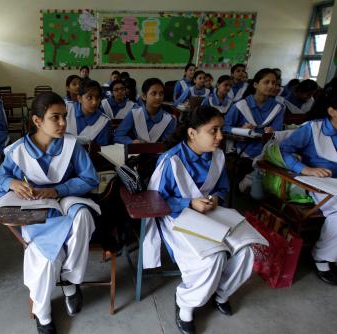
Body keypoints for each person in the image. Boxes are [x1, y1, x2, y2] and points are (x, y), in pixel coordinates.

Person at [0, 92, 99, 334]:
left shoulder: (72, 146)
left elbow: (90, 179)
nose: (63, 124)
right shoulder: (17, 151)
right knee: (47, 254)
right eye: (55, 118)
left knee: (83, 216)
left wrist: (58, 190)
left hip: (66, 198)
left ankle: (70, 280)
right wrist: (12, 183)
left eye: (65, 117)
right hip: (37, 208)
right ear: (37, 121)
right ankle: (44, 312)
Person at [144, 106, 254, 334]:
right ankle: (185, 304)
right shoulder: (171, 160)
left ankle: (221, 292)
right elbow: (155, 201)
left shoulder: (218, 156)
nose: (220, 137)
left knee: (246, 250)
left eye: (221, 129)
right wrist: (188, 203)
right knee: (212, 257)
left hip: (211, 215)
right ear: (192, 133)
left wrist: (216, 198)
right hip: (176, 218)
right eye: (213, 130)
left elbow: (222, 188)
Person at [279, 82, 337, 285]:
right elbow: (283, 150)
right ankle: (322, 256)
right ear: (332, 110)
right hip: (318, 183)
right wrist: (306, 169)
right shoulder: (313, 129)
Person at [223, 68, 285, 191]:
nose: (271, 86)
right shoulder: (241, 105)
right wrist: (240, 129)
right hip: (243, 147)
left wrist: (272, 131)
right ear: (256, 84)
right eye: (266, 82)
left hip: (266, 148)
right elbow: (225, 127)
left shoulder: (278, 108)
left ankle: (253, 184)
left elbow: (278, 132)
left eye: (274, 83)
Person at [114, 78, 176, 144]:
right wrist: (132, 142)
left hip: (158, 153)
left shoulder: (169, 119)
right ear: (144, 96)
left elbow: (168, 144)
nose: (158, 97)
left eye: (161, 94)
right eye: (154, 93)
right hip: (136, 151)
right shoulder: (134, 114)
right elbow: (118, 136)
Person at [65, 79, 111, 145]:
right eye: (89, 97)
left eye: (97, 98)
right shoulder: (66, 109)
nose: (94, 102)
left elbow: (101, 151)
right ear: (79, 98)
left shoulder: (104, 122)